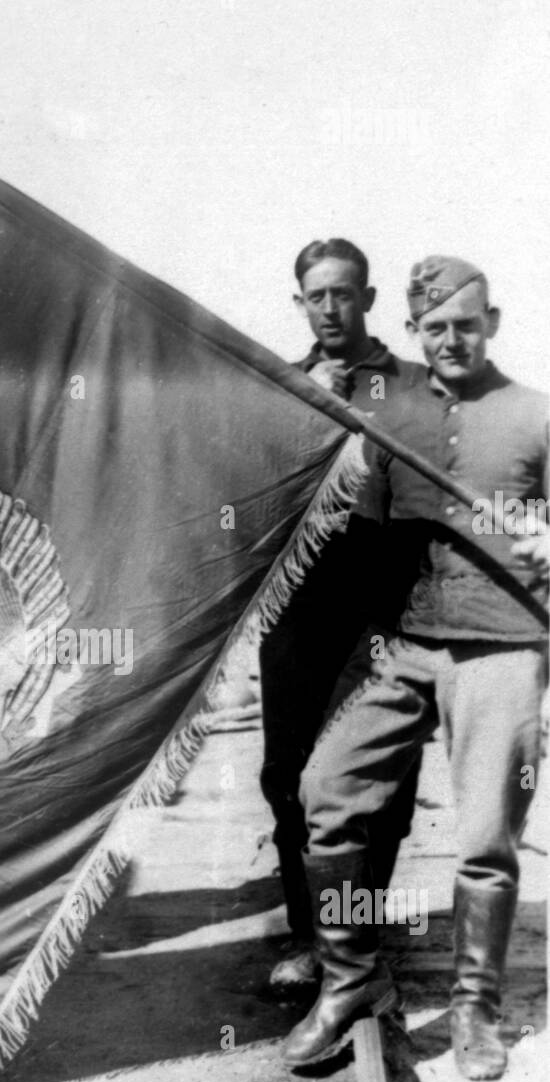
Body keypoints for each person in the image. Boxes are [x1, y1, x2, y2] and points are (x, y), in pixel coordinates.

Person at [286, 255, 548, 1081]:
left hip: (503, 647)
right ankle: (353, 981)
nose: (450, 340)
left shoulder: (536, 417)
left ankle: (474, 1011)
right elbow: (362, 541)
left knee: (484, 841)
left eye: (465, 325)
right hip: (406, 644)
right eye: (434, 328)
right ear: (414, 333)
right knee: (325, 790)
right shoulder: (390, 416)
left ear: (493, 323)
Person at [260, 240, 424, 995]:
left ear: (369, 297)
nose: (331, 309)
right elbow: (250, 495)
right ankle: (311, 937)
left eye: (344, 294)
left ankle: (358, 930)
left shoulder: (414, 389)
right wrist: (300, 406)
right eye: (316, 297)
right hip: (300, 610)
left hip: (386, 608)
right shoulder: (280, 388)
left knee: (378, 780)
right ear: (300, 303)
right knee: (289, 773)